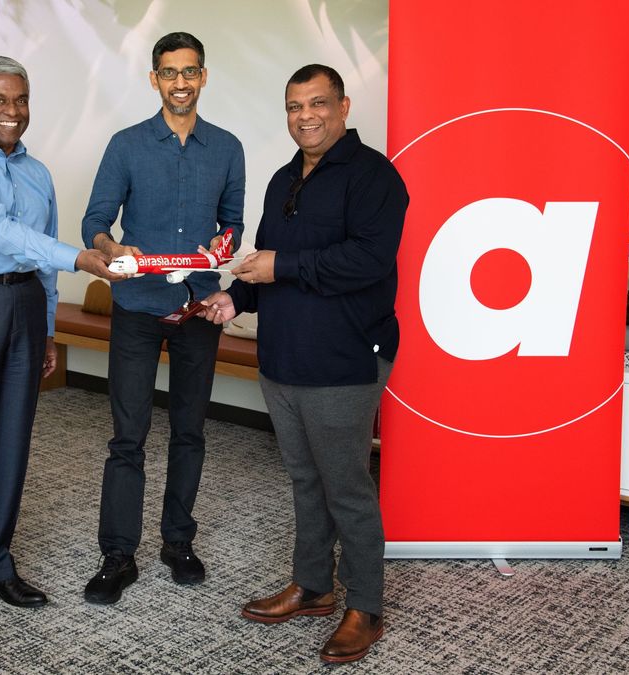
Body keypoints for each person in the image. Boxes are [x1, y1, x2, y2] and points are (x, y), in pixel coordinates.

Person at [201, 64, 407, 663]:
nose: (306, 116)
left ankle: (365, 605)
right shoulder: (284, 177)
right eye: (295, 107)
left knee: (347, 488)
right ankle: (314, 586)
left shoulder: (375, 177)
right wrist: (235, 296)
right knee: (305, 479)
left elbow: (366, 262)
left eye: (318, 104)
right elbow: (269, 262)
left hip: (344, 360)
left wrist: (278, 268)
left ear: (343, 107)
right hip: (283, 358)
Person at [0, 55, 124, 630]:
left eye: (21, 100)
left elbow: (39, 256)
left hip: (25, 306)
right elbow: (2, 233)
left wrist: (49, 330)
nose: (12, 112)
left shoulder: (38, 173)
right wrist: (83, 257)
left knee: (12, 440)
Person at [80, 32, 245, 604]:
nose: (180, 82)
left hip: (197, 309)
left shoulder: (227, 148)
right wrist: (110, 249)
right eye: (169, 72)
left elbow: (233, 223)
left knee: (190, 431)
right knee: (128, 436)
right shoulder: (126, 145)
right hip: (137, 309)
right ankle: (118, 555)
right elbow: (95, 221)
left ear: (203, 76)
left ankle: (178, 542)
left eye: (190, 71)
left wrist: (223, 247)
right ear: (154, 79)